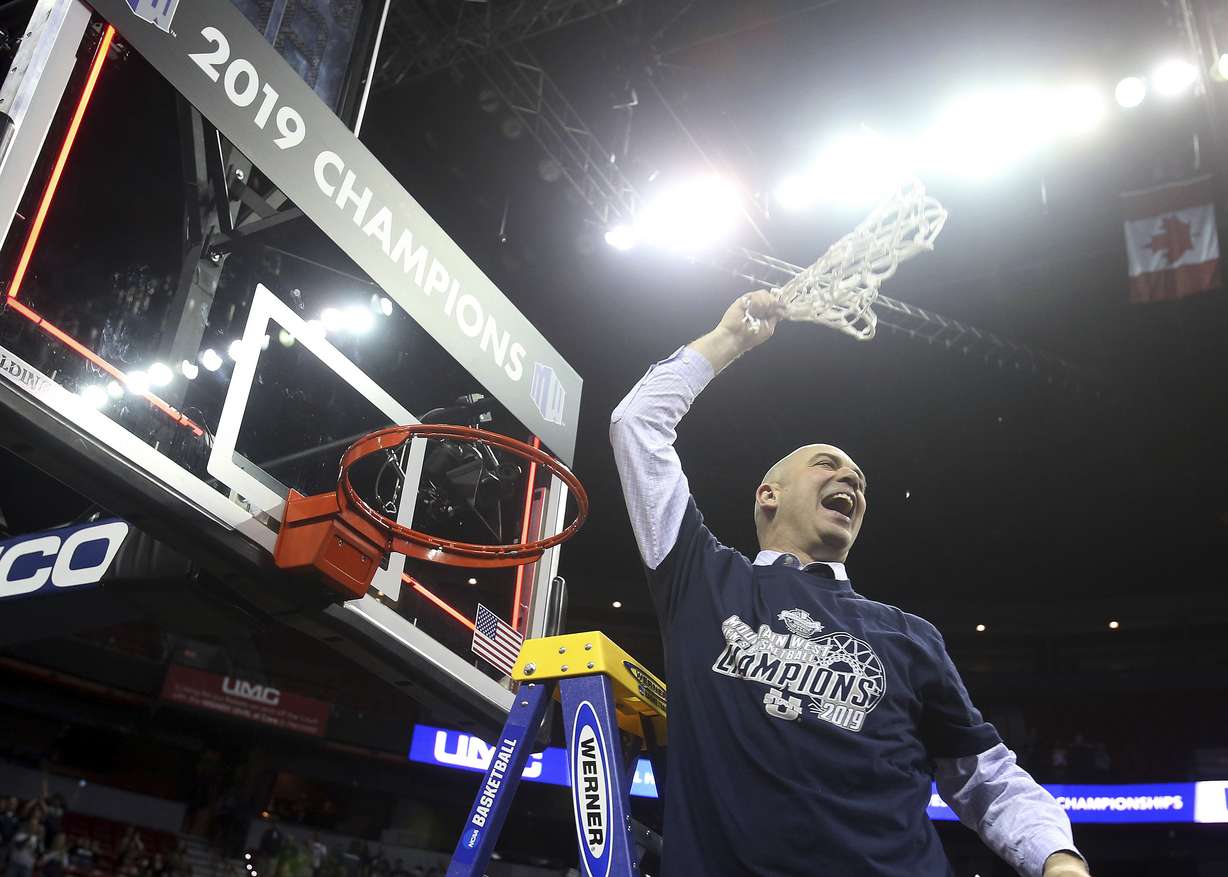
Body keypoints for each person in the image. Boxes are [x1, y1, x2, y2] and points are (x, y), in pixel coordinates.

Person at [610, 291, 1091, 877]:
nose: (850, 479)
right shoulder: (701, 580)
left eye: (858, 480)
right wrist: (728, 341)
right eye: (826, 465)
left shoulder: (909, 636)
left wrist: (1059, 860)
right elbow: (637, 424)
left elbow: (988, 780)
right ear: (769, 495)